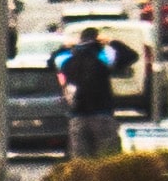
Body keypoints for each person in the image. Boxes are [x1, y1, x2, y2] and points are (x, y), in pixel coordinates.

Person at [52, 24, 128, 161]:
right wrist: (111, 41)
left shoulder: (66, 59)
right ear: (97, 39)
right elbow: (130, 55)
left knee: (81, 163)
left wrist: (65, 47)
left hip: (77, 116)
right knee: (108, 159)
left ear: (80, 40)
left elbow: (52, 61)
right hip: (102, 114)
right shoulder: (104, 56)